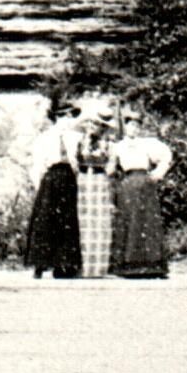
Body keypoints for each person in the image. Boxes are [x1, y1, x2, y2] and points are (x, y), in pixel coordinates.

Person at [108, 111, 174, 279]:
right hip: (127, 184)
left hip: (145, 183)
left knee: (147, 222)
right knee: (129, 222)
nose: (134, 129)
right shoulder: (118, 146)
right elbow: (110, 168)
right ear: (125, 127)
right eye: (131, 125)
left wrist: (158, 173)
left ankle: (151, 266)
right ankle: (128, 266)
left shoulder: (148, 143)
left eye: (137, 126)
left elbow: (166, 156)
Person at [23, 104, 84, 279]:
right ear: (57, 118)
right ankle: (40, 264)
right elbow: (37, 163)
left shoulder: (75, 137)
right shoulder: (45, 138)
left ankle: (64, 265)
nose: (69, 121)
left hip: (68, 177)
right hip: (51, 178)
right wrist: (40, 185)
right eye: (65, 117)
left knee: (67, 220)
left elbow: (78, 161)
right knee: (46, 220)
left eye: (71, 117)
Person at [74, 102, 118, 278]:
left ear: (103, 128)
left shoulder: (108, 144)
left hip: (100, 180)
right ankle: (82, 267)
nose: (93, 127)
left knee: (100, 223)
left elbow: (112, 164)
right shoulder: (80, 141)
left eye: (97, 124)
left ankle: (99, 268)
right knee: (83, 222)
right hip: (83, 180)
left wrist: (105, 171)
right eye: (91, 123)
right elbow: (74, 160)